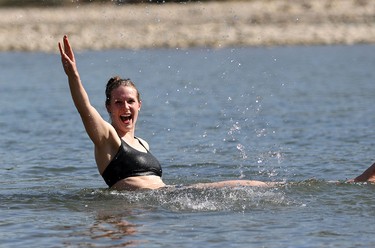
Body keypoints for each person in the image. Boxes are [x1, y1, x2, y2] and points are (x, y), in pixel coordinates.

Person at [59, 35, 375, 190]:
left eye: (130, 101)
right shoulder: (107, 140)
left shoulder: (143, 143)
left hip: (168, 199)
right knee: (247, 185)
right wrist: (74, 77)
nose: (124, 107)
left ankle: (348, 183)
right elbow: (83, 109)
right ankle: (354, 182)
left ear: (139, 105)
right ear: (108, 108)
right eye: (117, 102)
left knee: (252, 186)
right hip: (155, 202)